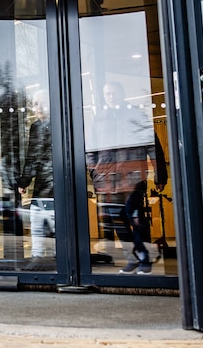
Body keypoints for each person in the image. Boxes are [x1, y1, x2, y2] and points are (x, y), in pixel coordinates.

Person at [86, 81, 167, 275]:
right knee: (118, 222)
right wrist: (95, 173)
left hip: (133, 179)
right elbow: (91, 149)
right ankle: (132, 258)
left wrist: (160, 175)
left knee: (136, 219)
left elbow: (152, 146)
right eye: (107, 94)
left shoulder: (137, 115)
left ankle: (144, 258)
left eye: (113, 92)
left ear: (121, 94)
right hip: (107, 182)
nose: (110, 96)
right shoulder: (100, 118)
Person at [17, 90, 53, 262]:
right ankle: (37, 256)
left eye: (41, 103)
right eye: (35, 103)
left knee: (51, 220)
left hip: (56, 180)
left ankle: (53, 256)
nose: (37, 107)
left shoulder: (57, 124)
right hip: (41, 181)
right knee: (36, 218)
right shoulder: (36, 127)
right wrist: (24, 181)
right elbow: (32, 156)